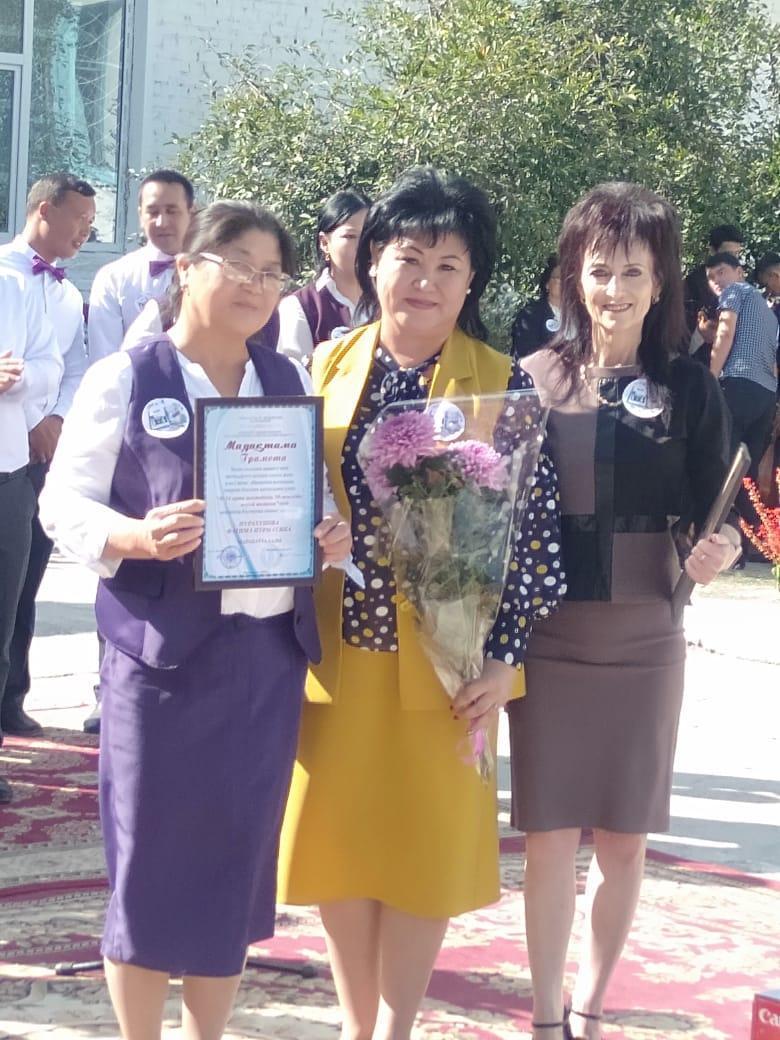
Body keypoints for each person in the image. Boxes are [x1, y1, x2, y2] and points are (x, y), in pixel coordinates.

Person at [39, 201, 351, 1040]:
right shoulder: (128, 377)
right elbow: (61, 503)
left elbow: (312, 501)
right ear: (187, 268)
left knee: (234, 866)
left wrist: (329, 532)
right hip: (159, 663)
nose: (256, 285)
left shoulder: (287, 382)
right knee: (148, 864)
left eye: (272, 273)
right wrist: (134, 537)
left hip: (266, 660)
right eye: (238, 264)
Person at [277, 167, 565, 1040]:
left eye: (449, 265)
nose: (425, 281)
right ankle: (355, 1026)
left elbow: (534, 537)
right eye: (408, 258)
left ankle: (395, 1030)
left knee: (420, 858)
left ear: (472, 281)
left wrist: (505, 659)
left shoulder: (500, 384)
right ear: (372, 262)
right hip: (334, 658)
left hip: (448, 669)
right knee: (337, 853)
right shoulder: (324, 365)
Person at [508, 182, 741, 1040]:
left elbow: (717, 513)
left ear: (661, 279)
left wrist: (718, 551)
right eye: (600, 270)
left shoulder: (689, 386)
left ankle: (592, 1009)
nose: (615, 289)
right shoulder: (530, 380)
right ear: (574, 273)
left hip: (647, 640)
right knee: (546, 836)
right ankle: (544, 1016)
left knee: (623, 839)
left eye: (634, 271)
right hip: (548, 641)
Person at [0, 172, 95, 736]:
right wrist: (32, 411)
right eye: (78, 218)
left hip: (34, 455)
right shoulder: (4, 275)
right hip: (12, 444)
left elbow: (71, 367)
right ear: (43, 210)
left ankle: (11, 697)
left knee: (23, 582)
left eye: (91, 222)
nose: (86, 230)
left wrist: (54, 420)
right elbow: (18, 372)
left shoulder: (66, 292)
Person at [0, 269, 62, 802]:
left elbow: (50, 365)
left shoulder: (12, 286)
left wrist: (18, 379)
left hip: (8, 473)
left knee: (2, 621)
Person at [706, 250, 779, 551]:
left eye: (721, 272)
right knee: (745, 475)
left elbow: (725, 335)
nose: (717, 281)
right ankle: (756, 542)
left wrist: (709, 379)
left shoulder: (735, 291)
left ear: (740, 273)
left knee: (719, 461)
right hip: (766, 394)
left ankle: (713, 536)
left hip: (738, 383)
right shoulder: (768, 311)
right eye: (711, 277)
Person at [87, 169, 195, 363]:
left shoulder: (212, 273)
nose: (162, 222)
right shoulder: (114, 277)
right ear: (140, 215)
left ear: (191, 213)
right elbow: (104, 358)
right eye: (153, 212)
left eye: (172, 211)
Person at [273, 188, 372, 363]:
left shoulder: (388, 301)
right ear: (325, 243)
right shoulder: (300, 307)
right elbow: (295, 376)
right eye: (350, 236)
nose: (362, 246)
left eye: (368, 236)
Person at [683, 223, 745, 334]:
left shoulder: (739, 279)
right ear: (712, 251)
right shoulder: (694, 282)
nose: (733, 259)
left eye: (737, 254)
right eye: (728, 254)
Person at [511, 254, 562, 359]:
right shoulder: (530, 315)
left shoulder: (581, 315)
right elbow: (525, 355)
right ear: (547, 284)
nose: (564, 282)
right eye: (558, 278)